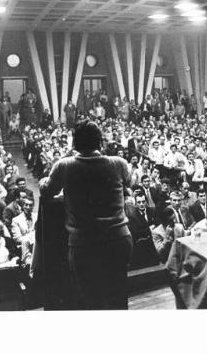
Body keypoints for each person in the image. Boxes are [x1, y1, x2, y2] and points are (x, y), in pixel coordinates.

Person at [39, 120, 133, 310]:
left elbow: (46, 191)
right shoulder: (119, 163)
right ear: (100, 142)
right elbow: (129, 182)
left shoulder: (64, 166)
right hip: (119, 240)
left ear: (75, 143)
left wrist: (43, 181)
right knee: (119, 299)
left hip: (84, 244)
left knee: (92, 300)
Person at [10, 198, 36, 266]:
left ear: (33, 206)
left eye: (30, 205)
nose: (28, 207)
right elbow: (17, 239)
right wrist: (32, 236)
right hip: (23, 248)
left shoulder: (37, 217)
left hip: (36, 246)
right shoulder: (16, 220)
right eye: (26, 205)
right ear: (22, 206)